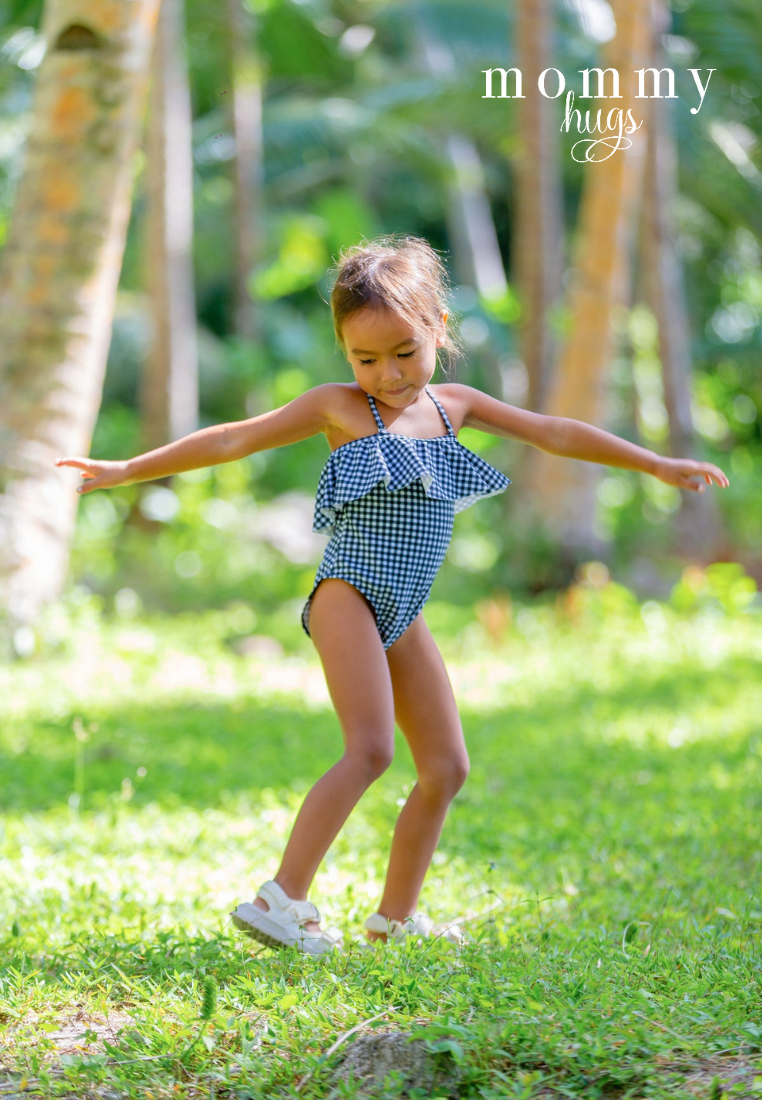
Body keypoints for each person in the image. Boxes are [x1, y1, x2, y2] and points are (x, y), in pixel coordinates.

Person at [56, 235, 729, 955]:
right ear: (344, 352)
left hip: (402, 610)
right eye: (364, 358)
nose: (387, 374)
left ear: (439, 326)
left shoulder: (456, 407)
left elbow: (555, 433)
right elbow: (231, 441)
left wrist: (655, 463)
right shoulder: (341, 408)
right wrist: (128, 467)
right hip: (348, 595)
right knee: (371, 749)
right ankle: (279, 898)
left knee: (446, 766)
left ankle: (394, 920)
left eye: (404, 353)